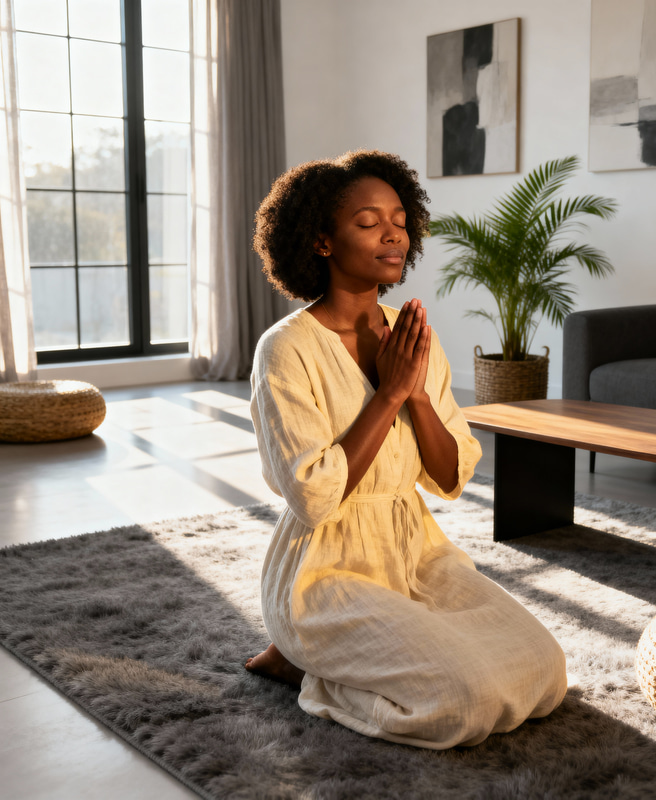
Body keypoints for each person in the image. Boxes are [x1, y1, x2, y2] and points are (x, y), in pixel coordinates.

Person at [245, 150, 567, 749]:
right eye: (368, 222)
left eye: (398, 219)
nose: (393, 233)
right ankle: (305, 664)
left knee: (544, 672)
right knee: (463, 702)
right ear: (321, 241)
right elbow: (315, 498)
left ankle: (333, 660)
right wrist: (389, 394)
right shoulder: (285, 350)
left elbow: (448, 477)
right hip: (324, 573)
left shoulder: (414, 335)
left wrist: (416, 394)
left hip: (414, 552)